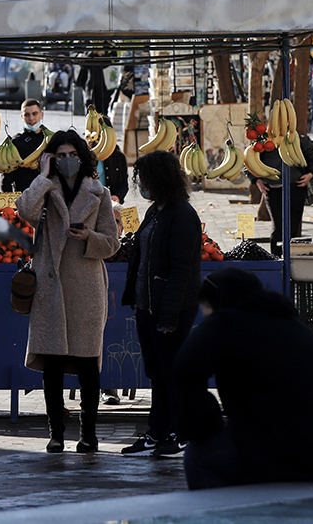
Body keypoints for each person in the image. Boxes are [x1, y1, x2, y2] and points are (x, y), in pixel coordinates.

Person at [176, 268, 313, 489]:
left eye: (203, 306)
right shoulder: (283, 321)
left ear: (214, 302)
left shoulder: (227, 321)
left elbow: (182, 371)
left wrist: (205, 426)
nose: (203, 314)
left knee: (201, 456)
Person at [16, 130, 121, 453]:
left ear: (82, 157)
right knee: (53, 364)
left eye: (71, 154)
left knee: (88, 364)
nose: (66, 161)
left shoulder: (99, 193)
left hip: (86, 285)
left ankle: (88, 433)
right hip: (51, 284)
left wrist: (89, 236)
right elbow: (25, 210)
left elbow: (112, 244)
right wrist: (44, 177)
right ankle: (56, 432)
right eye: (59, 155)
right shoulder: (46, 191)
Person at [120, 151, 203, 457]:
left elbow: (182, 270)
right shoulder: (156, 211)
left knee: (171, 373)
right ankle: (158, 431)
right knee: (157, 373)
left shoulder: (182, 216)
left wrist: (168, 316)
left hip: (171, 310)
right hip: (148, 306)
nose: (140, 184)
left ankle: (177, 433)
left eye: (143, 179)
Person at [251, 134, 313, 254]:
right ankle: (276, 260)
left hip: (296, 187)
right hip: (272, 189)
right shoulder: (264, 142)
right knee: (278, 227)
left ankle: (292, 260)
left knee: (293, 227)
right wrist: (256, 180)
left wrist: (310, 174)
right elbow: (248, 162)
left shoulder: (300, 141)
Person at [1, 98, 51, 193]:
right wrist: (8, 205)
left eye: (34, 114)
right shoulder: (16, 142)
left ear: (41, 114)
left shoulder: (51, 140)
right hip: (24, 196)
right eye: (27, 115)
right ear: (22, 116)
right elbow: (6, 180)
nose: (31, 118)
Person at [95, 115, 129, 204]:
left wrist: (118, 196)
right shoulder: (87, 156)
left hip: (111, 203)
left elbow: (124, 184)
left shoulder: (118, 157)